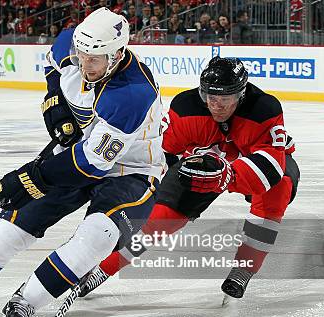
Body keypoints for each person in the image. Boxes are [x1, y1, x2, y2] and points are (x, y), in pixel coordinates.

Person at [0, 7, 165, 317]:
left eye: (94, 60)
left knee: (100, 235)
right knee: (16, 222)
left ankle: (27, 301)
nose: (84, 65)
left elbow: (92, 163)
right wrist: (54, 101)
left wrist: (31, 178)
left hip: (130, 170)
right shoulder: (74, 43)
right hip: (76, 152)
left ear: (117, 54)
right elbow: (54, 64)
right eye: (81, 56)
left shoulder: (132, 94)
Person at [77, 57, 300, 300]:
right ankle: (103, 269)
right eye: (210, 98)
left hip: (252, 168)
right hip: (202, 168)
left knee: (278, 190)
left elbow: (271, 166)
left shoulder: (264, 110)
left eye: (224, 99)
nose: (216, 106)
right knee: (157, 221)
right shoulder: (186, 108)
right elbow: (159, 152)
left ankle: (243, 269)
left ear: (241, 95)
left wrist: (228, 175)